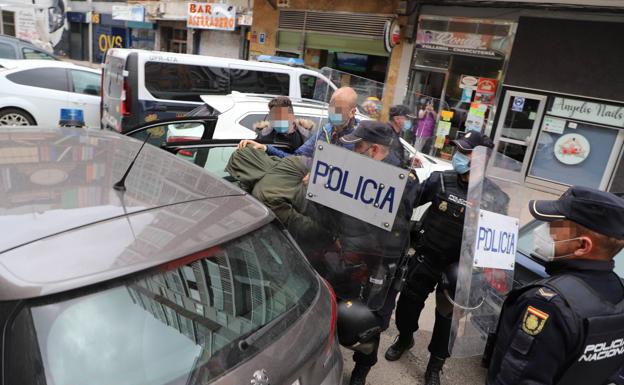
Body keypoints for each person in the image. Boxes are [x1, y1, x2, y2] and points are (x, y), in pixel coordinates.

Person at [385, 131, 507, 385]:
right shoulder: (440, 180)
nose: (458, 156)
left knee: (446, 321)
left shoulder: (495, 197)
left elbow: (496, 246)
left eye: (465, 152)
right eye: (458, 150)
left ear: (482, 159)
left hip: (459, 271)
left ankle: (434, 366)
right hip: (427, 257)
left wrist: (485, 273)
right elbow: (408, 202)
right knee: (407, 306)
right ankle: (405, 338)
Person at [485, 187, 624, 385]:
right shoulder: (619, 293)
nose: (542, 230)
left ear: (582, 246)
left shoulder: (549, 304)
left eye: (554, 226)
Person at [323, 121, 412, 385]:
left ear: (373, 150)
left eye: (358, 147)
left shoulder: (402, 183)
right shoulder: (357, 169)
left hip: (378, 267)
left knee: (369, 323)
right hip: (347, 258)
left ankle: (361, 371)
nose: (354, 151)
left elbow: (393, 235)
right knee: (338, 312)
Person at [238, 87, 359, 157]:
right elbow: (296, 159)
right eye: (332, 107)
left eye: (339, 109)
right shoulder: (324, 132)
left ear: (352, 112)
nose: (333, 113)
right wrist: (265, 148)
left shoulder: (361, 136)